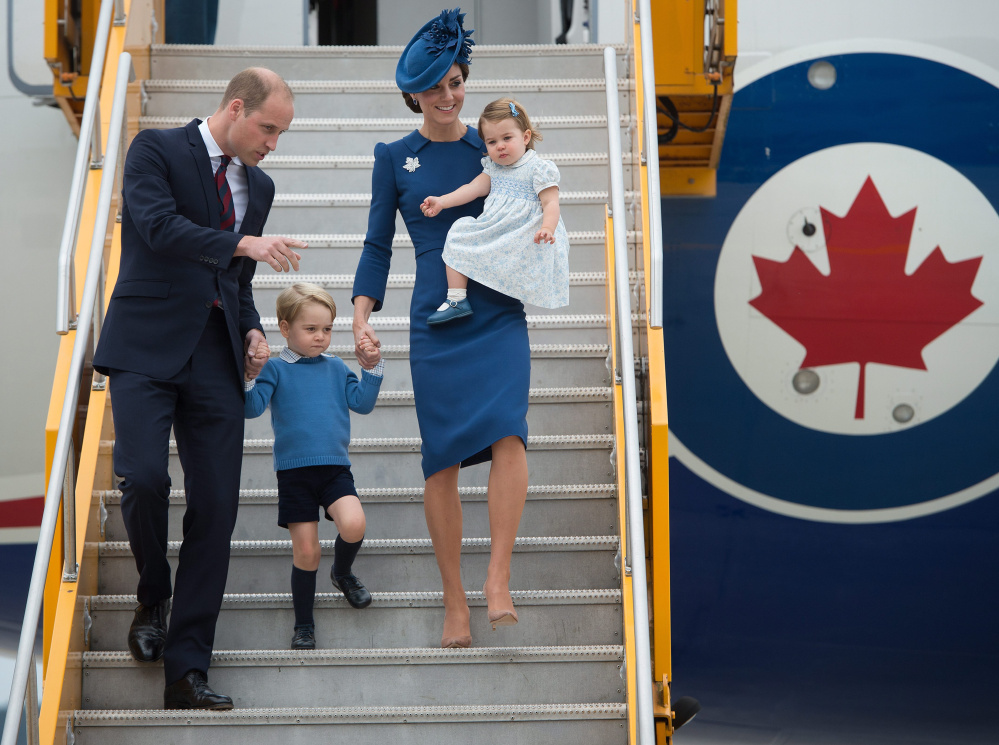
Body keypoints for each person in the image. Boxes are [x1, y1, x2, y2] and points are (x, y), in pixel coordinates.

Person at [92, 67, 307, 710]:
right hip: (144, 346)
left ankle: (187, 670)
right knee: (144, 479)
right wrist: (241, 240)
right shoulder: (155, 148)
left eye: (280, 134)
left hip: (214, 359)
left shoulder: (257, 185)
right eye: (267, 128)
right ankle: (152, 589)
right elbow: (155, 228)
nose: (272, 144)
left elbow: (234, 282)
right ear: (235, 108)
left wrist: (252, 332)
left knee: (216, 509)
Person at [352, 8, 529, 649]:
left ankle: (497, 580)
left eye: (457, 81)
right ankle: (454, 600)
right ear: (413, 96)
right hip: (436, 314)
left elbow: (536, 195)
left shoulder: (496, 146)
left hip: (500, 306)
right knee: (442, 461)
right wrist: (361, 315)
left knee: (511, 433)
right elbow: (377, 245)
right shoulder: (394, 158)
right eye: (435, 88)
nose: (450, 96)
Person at [244, 283, 383, 650]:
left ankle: (342, 572)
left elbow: (363, 403)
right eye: (311, 329)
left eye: (327, 329)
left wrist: (371, 367)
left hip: (335, 468)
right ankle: (304, 623)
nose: (320, 337)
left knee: (354, 524)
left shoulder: (337, 368)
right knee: (306, 552)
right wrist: (249, 374)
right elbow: (252, 407)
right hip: (294, 474)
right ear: (285, 328)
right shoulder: (275, 369)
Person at [420, 97, 570, 324]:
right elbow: (472, 189)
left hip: (525, 235)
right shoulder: (493, 168)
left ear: (525, 137)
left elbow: (551, 203)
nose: (499, 146)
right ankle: (457, 299)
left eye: (507, 138)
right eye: (491, 142)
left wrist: (547, 228)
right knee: (459, 232)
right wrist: (442, 201)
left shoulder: (538, 168)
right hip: (497, 230)